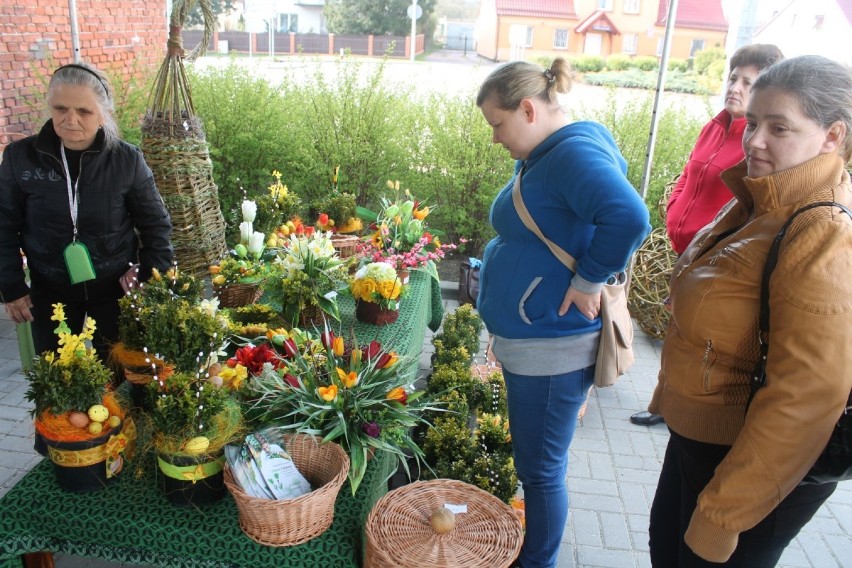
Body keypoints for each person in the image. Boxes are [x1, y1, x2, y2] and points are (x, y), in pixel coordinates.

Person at [647, 54, 852, 566]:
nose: (754, 140)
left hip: (751, 464)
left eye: (779, 127)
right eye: (753, 122)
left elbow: (806, 396)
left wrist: (723, 515)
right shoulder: (761, 196)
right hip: (703, 439)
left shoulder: (820, 230)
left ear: (832, 136)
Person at [476, 58, 651, 568]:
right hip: (538, 338)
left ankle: (538, 563)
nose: (495, 139)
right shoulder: (551, 151)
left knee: (542, 471)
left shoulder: (570, 155)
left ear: (528, 109)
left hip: (552, 349)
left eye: (497, 124)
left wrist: (588, 279)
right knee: (539, 466)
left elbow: (630, 216)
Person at [630, 43, 784, 427]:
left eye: (748, 82)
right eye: (733, 78)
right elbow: (687, 176)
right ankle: (662, 403)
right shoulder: (714, 127)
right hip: (685, 249)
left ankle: (680, 408)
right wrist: (673, 213)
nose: (735, 87)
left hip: (716, 258)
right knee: (675, 329)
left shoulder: (755, 144)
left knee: (694, 336)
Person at [0, 62, 174, 364]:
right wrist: (12, 286)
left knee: (119, 378)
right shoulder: (20, 158)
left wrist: (147, 276)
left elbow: (156, 225)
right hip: (50, 288)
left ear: (103, 113)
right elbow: (2, 224)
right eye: (61, 108)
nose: (70, 120)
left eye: (84, 112)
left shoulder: (126, 160)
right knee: (56, 382)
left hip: (113, 289)